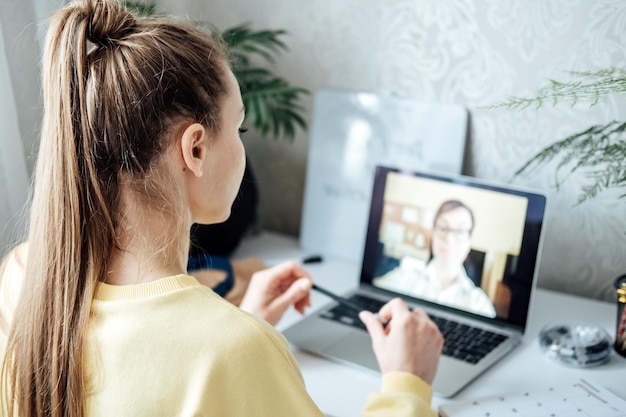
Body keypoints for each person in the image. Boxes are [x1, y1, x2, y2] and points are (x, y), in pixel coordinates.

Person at [0, 1, 444, 416]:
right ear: (195, 148)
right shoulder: (235, 351)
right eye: (240, 126)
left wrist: (237, 324)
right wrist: (407, 382)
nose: (243, 142)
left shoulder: (23, 276)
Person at [374, 200, 496, 317]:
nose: (449, 238)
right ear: (433, 233)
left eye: (460, 231)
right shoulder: (402, 279)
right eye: (443, 227)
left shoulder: (480, 304)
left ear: (469, 241)